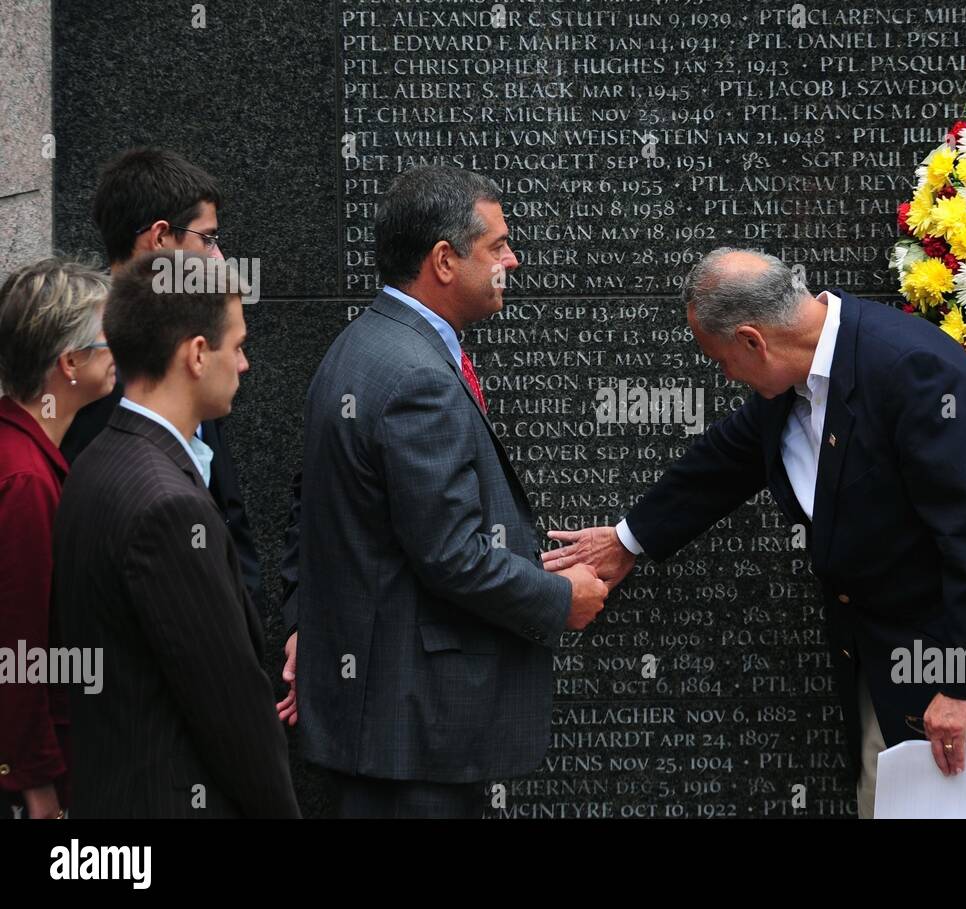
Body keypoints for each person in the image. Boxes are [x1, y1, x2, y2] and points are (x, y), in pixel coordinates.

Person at [545, 249, 966, 818]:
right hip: (891, 664)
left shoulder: (913, 371)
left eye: (721, 360)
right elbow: (723, 461)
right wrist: (626, 539)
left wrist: (965, 684)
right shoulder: (792, 381)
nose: (725, 375)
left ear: (753, 340)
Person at [294, 165, 608, 818]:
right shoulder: (417, 378)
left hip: (389, 723)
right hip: (416, 730)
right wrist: (560, 597)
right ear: (444, 259)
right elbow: (451, 555)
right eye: (497, 246)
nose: (512, 261)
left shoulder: (363, 345)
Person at [52, 252, 298, 818]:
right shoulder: (168, 507)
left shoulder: (95, 461)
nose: (245, 363)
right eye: (236, 345)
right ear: (195, 354)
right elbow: (230, 708)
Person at [60, 147, 260, 606]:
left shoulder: (195, 336)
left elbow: (225, 503)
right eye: (207, 239)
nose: (219, 255)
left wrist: (245, 601)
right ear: (160, 238)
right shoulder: (87, 368)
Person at [0, 259, 114, 819]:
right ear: (70, 362)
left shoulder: (24, 455)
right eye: (106, 339)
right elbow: (17, 652)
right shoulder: (24, 479)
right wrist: (38, 786)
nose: (119, 350)